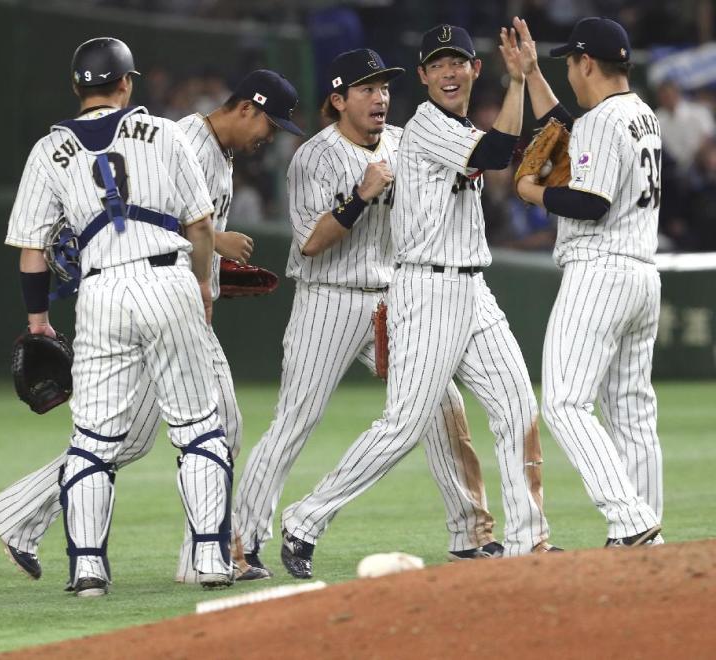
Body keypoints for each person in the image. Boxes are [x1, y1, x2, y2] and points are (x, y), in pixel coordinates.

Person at [0, 67, 304, 585]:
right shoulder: (184, 139)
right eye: (270, 124)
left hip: (142, 297)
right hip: (165, 295)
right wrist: (212, 256)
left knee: (121, 440)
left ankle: (24, 519)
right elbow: (150, 216)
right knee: (210, 429)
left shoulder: (216, 154)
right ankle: (206, 557)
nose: (270, 137)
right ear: (246, 107)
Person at [279, 25, 559, 579]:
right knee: (403, 426)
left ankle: (529, 543)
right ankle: (305, 518)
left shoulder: (456, 126)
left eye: (460, 62)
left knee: (518, 407)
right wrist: (518, 80)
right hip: (426, 290)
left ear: (474, 71)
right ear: (426, 77)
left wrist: (526, 80)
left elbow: (513, 143)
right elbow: (499, 152)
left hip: (472, 288)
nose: (451, 72)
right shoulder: (428, 127)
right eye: (440, 64)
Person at [234, 47, 505, 580]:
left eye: (383, 87)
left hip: (398, 294)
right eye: (366, 88)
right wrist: (360, 197)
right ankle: (242, 541)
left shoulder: (409, 140)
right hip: (328, 298)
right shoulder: (314, 156)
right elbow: (311, 243)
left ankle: (472, 533)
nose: (380, 97)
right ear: (338, 100)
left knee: (442, 411)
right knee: (294, 422)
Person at [514, 17, 664, 547]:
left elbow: (590, 203)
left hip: (599, 271)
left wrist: (532, 193)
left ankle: (629, 518)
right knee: (631, 412)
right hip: (643, 275)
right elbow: (572, 130)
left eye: (570, 63)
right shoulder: (641, 114)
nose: (571, 73)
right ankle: (648, 540)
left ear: (586, 63)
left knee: (563, 403)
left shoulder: (603, 120)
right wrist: (532, 75)